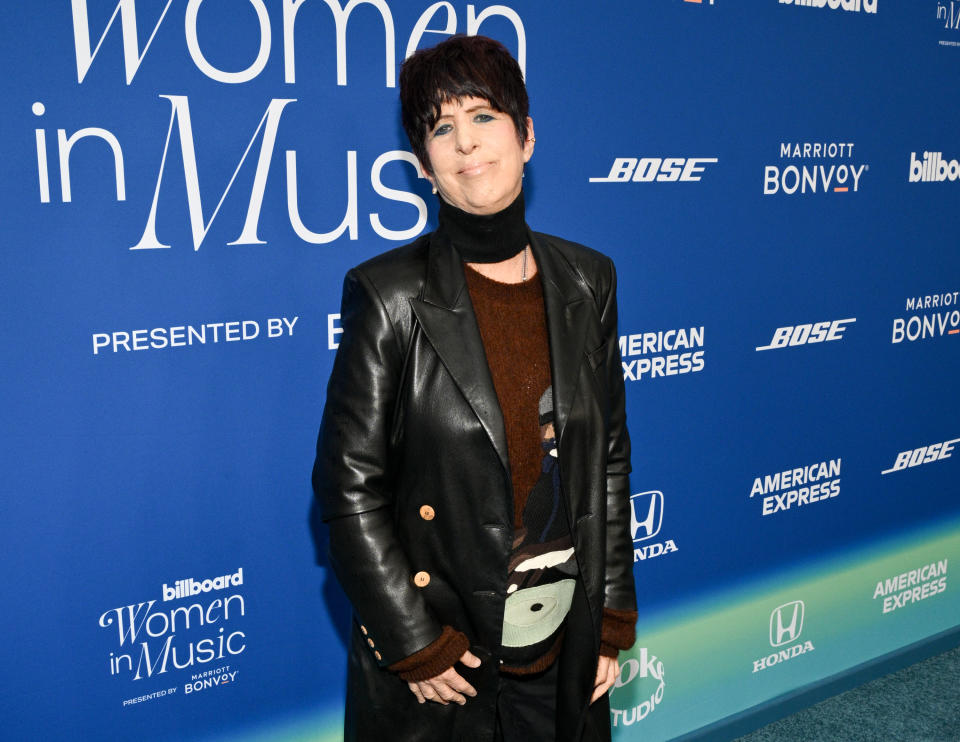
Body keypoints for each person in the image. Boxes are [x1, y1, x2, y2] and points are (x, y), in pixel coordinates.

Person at [313, 34, 637, 742]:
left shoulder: (589, 280)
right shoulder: (389, 295)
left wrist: (610, 618)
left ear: (526, 136)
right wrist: (413, 640)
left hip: (564, 641)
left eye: (484, 117)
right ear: (424, 167)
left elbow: (606, 459)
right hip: (453, 655)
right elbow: (349, 491)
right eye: (441, 128)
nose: (465, 143)